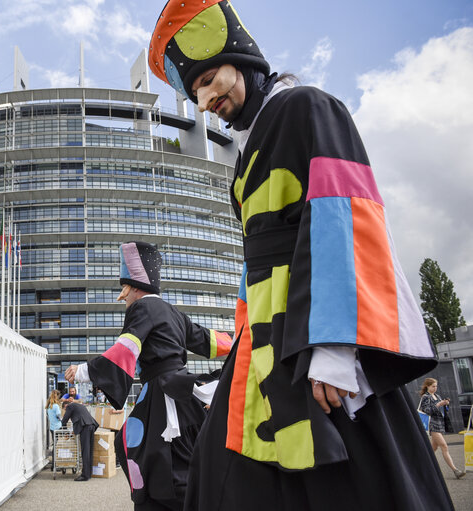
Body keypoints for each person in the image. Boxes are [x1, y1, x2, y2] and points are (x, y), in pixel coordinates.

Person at [146, 1, 453, 509]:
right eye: (195, 90)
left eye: (207, 79)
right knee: (220, 475)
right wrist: (239, 357)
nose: (204, 100)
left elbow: (345, 219)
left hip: (315, 345)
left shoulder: (307, 107)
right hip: (263, 352)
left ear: (239, 56)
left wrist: (336, 348)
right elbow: (254, 275)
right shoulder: (245, 163)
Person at [66, 241, 231, 505]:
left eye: (124, 289)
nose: (123, 297)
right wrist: (241, 340)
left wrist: (83, 370)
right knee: (186, 456)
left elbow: (125, 351)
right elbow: (210, 341)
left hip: (160, 395)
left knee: (141, 452)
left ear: (133, 286)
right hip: (185, 396)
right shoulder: (174, 313)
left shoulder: (141, 308)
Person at [419, 378, 465, 478]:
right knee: (444, 446)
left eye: (436, 386)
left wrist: (445, 404)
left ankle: (420, 465)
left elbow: (442, 411)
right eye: (433, 386)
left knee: (433, 448)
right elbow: (427, 410)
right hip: (432, 424)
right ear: (427, 386)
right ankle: (455, 470)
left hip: (439, 423)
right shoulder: (425, 397)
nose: (435, 388)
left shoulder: (437, 396)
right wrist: (439, 404)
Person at [60, 401, 99, 482]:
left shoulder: (70, 406)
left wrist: (65, 432)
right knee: (89, 451)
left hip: (85, 427)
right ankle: (88, 473)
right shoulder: (79, 405)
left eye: (64, 409)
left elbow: (64, 420)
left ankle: (84, 475)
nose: (65, 411)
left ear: (65, 406)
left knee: (85, 451)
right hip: (91, 425)